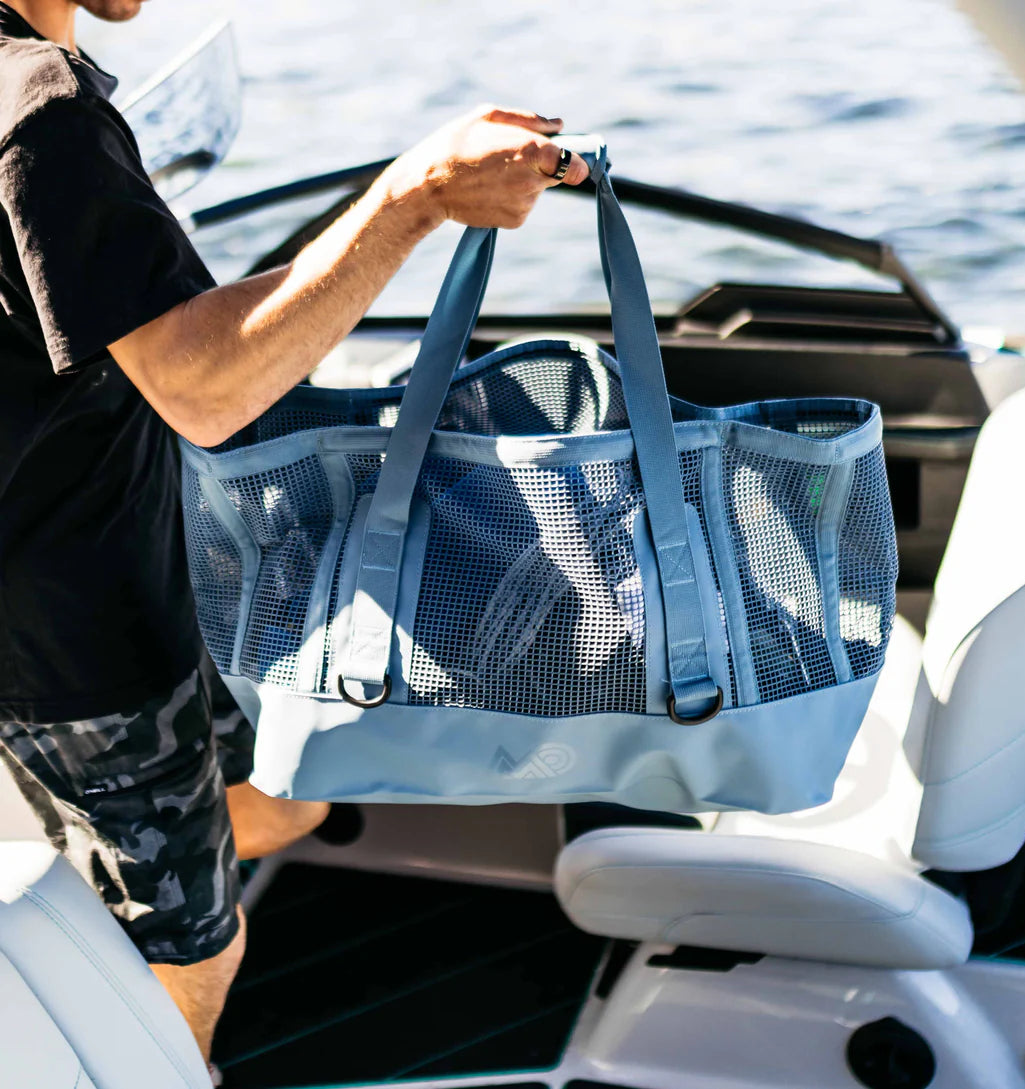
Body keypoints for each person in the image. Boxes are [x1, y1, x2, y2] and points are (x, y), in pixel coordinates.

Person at [0, 0, 589, 1075]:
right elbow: (203, 386)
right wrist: (417, 195)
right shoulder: (41, 108)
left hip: (148, 570)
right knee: (184, 958)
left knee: (286, 794)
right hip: (77, 642)